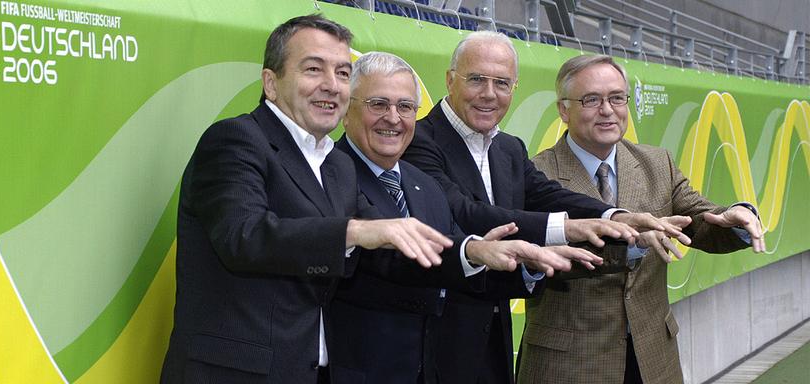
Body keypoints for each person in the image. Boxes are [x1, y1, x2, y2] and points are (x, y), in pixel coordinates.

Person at [161, 15, 457, 384]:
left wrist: (473, 253)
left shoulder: (335, 164)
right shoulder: (235, 140)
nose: (332, 86)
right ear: (271, 83)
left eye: (343, 73)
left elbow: (388, 244)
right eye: (314, 69)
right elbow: (244, 237)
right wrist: (353, 232)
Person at [401, 31, 687, 383]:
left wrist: (614, 217)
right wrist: (568, 229)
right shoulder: (418, 141)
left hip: (493, 340)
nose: (490, 94)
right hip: (437, 343)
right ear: (449, 79)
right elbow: (465, 213)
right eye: (477, 79)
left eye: (502, 83)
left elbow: (549, 195)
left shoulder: (507, 147)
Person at [327, 51, 602, 384]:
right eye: (378, 104)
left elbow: (457, 261)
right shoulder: (328, 174)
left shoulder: (421, 183)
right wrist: (475, 251)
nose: (393, 118)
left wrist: (530, 260)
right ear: (345, 110)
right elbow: (394, 258)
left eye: (405, 107)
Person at [518, 54, 764, 384]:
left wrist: (734, 218)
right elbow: (540, 259)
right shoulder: (536, 174)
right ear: (564, 110)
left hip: (652, 359)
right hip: (569, 364)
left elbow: (697, 219)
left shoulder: (655, 162)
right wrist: (630, 244)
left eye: (617, 98)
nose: (607, 110)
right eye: (591, 99)